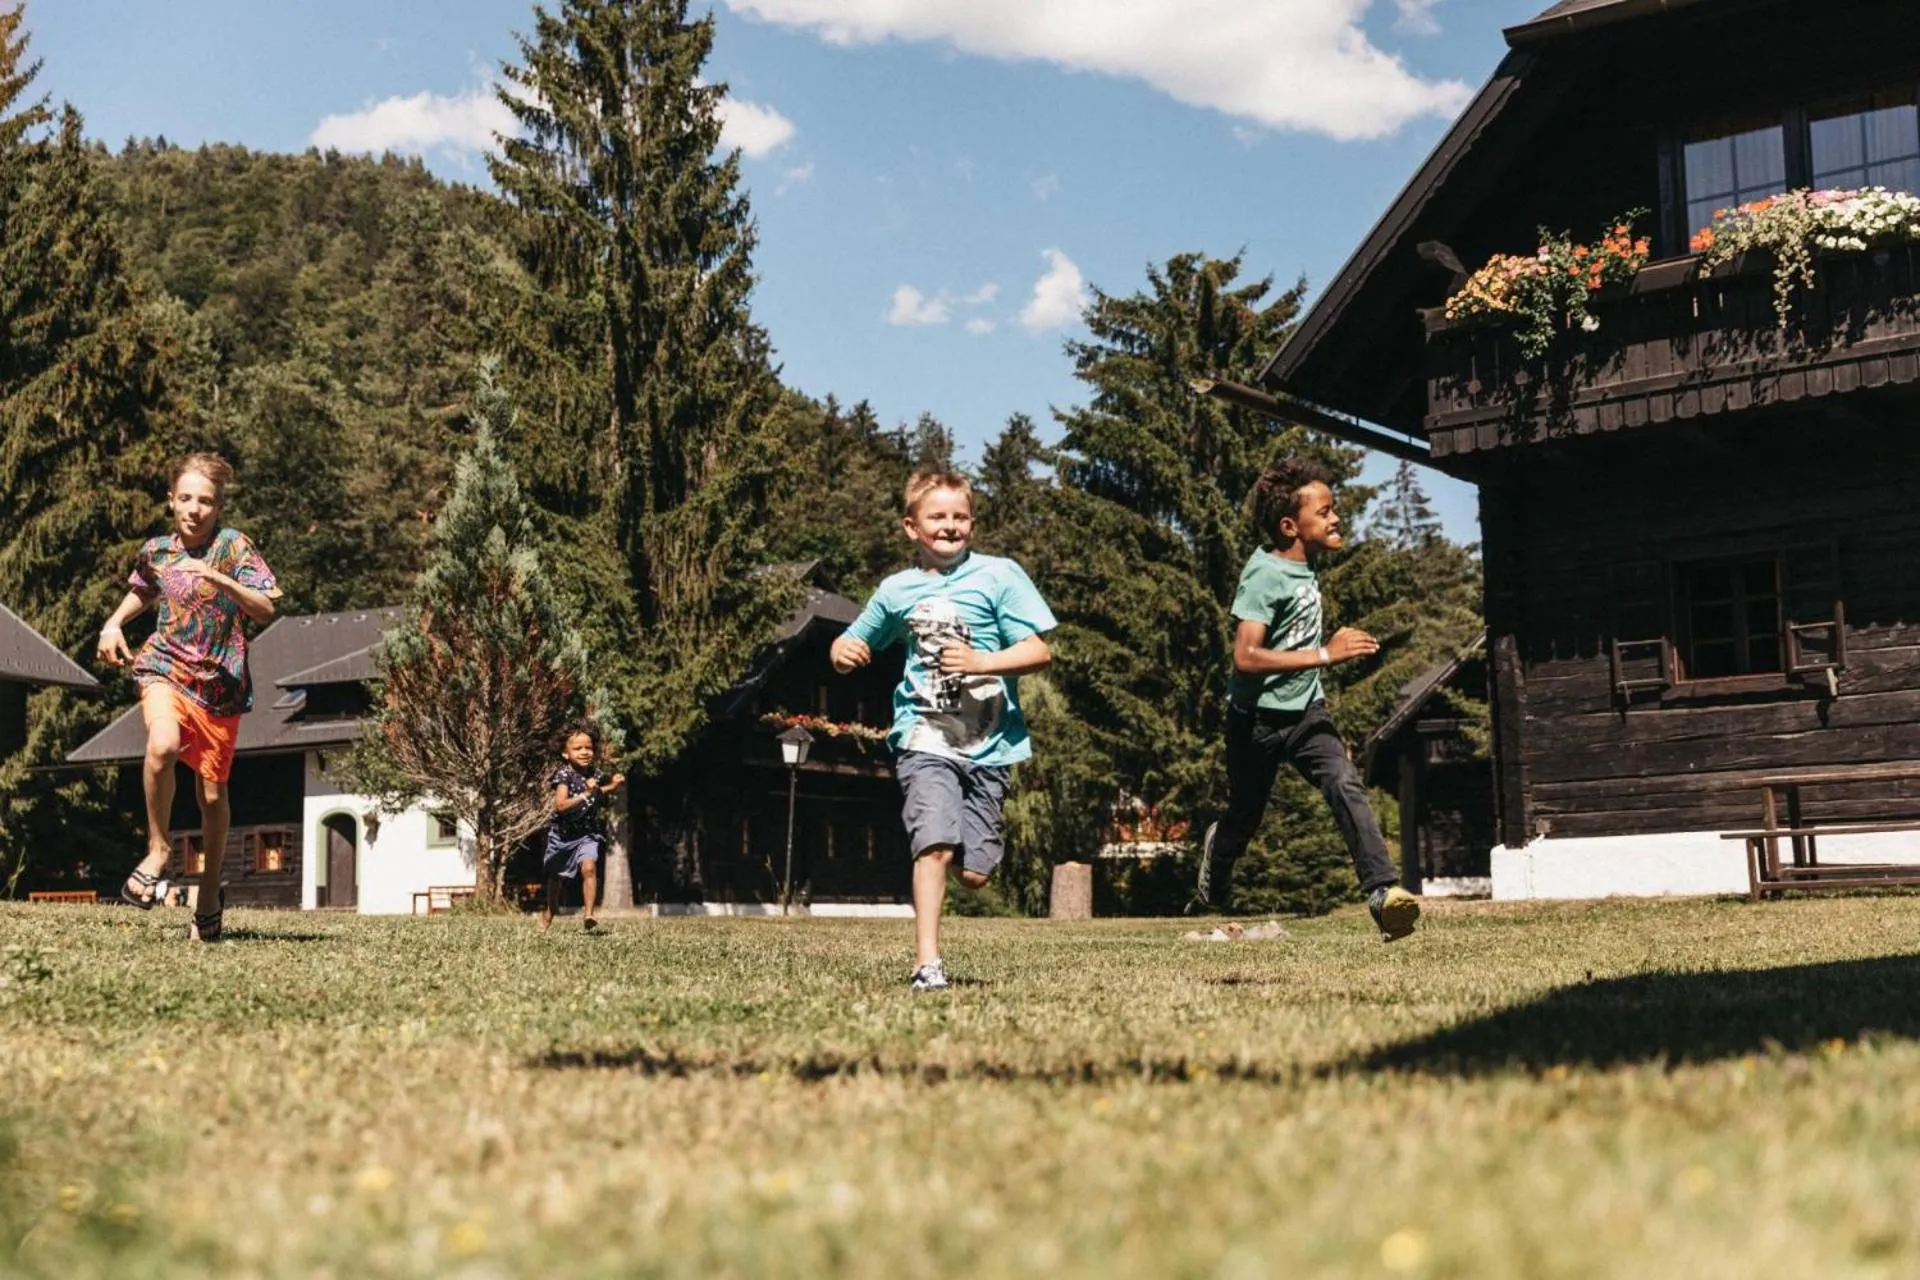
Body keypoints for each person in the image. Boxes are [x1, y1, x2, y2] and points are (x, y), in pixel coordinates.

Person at [830, 471, 1057, 991]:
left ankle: (961, 853)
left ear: (972, 523)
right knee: (932, 845)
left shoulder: (1000, 576)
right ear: (912, 527)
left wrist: (983, 660)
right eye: (938, 516)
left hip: (991, 744)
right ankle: (928, 965)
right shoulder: (896, 590)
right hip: (923, 737)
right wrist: (842, 654)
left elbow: (1039, 651)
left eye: (960, 516)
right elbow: (848, 643)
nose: (950, 526)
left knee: (974, 874)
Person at [1192, 458, 1422, 942]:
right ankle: (1220, 851)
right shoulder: (1264, 575)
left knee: (1343, 781)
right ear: (1290, 526)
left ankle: (1383, 893)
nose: (1336, 518)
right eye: (1325, 511)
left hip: (1305, 714)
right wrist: (1325, 653)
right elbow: (1245, 656)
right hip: (1254, 722)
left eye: (1334, 508)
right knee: (1245, 817)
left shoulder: (1306, 564)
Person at [98, 453, 282, 942]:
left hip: (220, 686)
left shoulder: (235, 547)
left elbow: (266, 608)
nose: (194, 509)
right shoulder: (158, 550)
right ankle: (158, 851)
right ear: (171, 501)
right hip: (164, 666)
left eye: (205, 501)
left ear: (219, 506)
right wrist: (115, 622)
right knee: (161, 744)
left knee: (212, 793)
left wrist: (224, 582)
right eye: (185, 498)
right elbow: (144, 588)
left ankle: (207, 888)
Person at [543, 720, 624, 932]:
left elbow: (599, 792)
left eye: (588, 747)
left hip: (588, 833)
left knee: (589, 868)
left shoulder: (595, 775)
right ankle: (550, 911)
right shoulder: (564, 775)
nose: (584, 752)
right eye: (577, 748)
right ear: (565, 753)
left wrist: (613, 786)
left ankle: (589, 914)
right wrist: (586, 793)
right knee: (555, 878)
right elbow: (560, 805)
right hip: (561, 836)